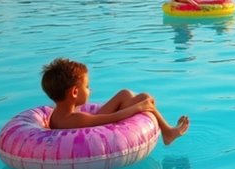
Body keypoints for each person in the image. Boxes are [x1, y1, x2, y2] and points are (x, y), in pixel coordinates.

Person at [41, 58, 189, 145]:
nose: (89, 90)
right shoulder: (75, 118)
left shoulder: (57, 114)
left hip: (87, 126)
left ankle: (167, 131)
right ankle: (167, 132)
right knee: (144, 99)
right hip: (91, 138)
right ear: (74, 92)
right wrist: (140, 107)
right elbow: (114, 118)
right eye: (86, 86)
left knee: (124, 94)